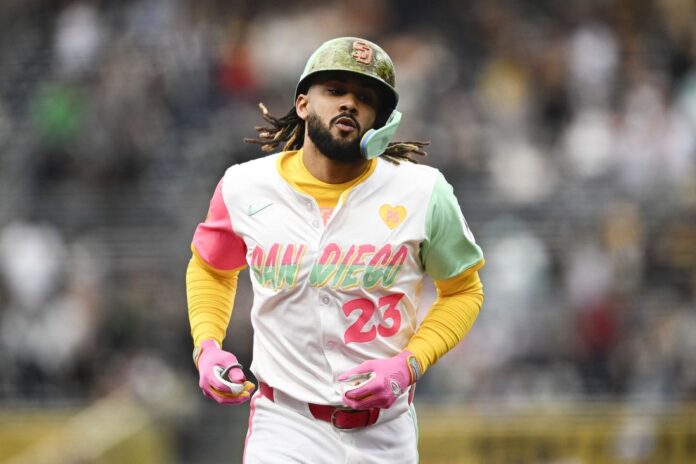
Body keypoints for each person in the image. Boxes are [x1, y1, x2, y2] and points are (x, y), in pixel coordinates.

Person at [186, 36, 485, 463]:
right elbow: (211, 268)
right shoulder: (244, 186)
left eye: (365, 98)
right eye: (335, 90)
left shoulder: (422, 191)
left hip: (384, 433)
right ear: (303, 103)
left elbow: (464, 291)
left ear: (381, 121)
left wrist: (410, 363)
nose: (349, 103)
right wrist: (207, 345)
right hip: (284, 426)